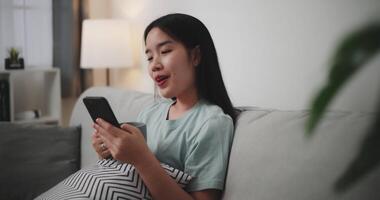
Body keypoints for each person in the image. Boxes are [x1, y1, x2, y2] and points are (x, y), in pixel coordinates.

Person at [92, 13, 236, 200]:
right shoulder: (149, 114)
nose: (154, 65)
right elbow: (126, 178)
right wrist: (108, 152)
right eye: (150, 57)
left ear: (195, 56)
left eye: (165, 51)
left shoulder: (212, 123)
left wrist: (141, 158)